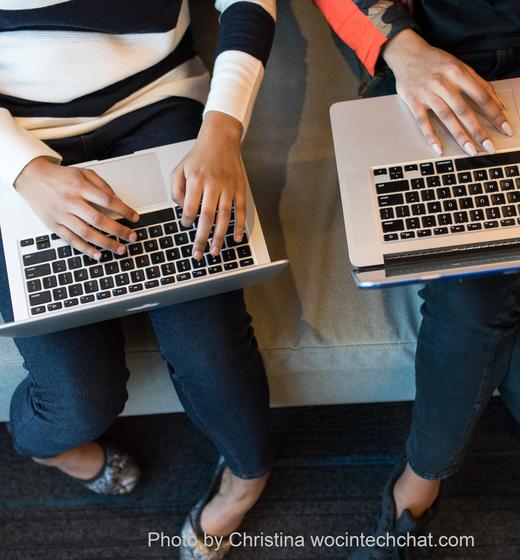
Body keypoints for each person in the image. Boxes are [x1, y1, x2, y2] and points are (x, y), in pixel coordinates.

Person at [0, 1, 276, 558]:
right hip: (17, 135)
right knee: (78, 399)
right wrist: (22, 169)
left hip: (158, 105)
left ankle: (248, 477)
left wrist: (222, 129)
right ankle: (47, 449)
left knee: (212, 350)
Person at [316, 0, 520, 558]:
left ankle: (414, 495)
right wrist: (403, 50)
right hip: (436, 58)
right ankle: (420, 482)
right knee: (474, 295)